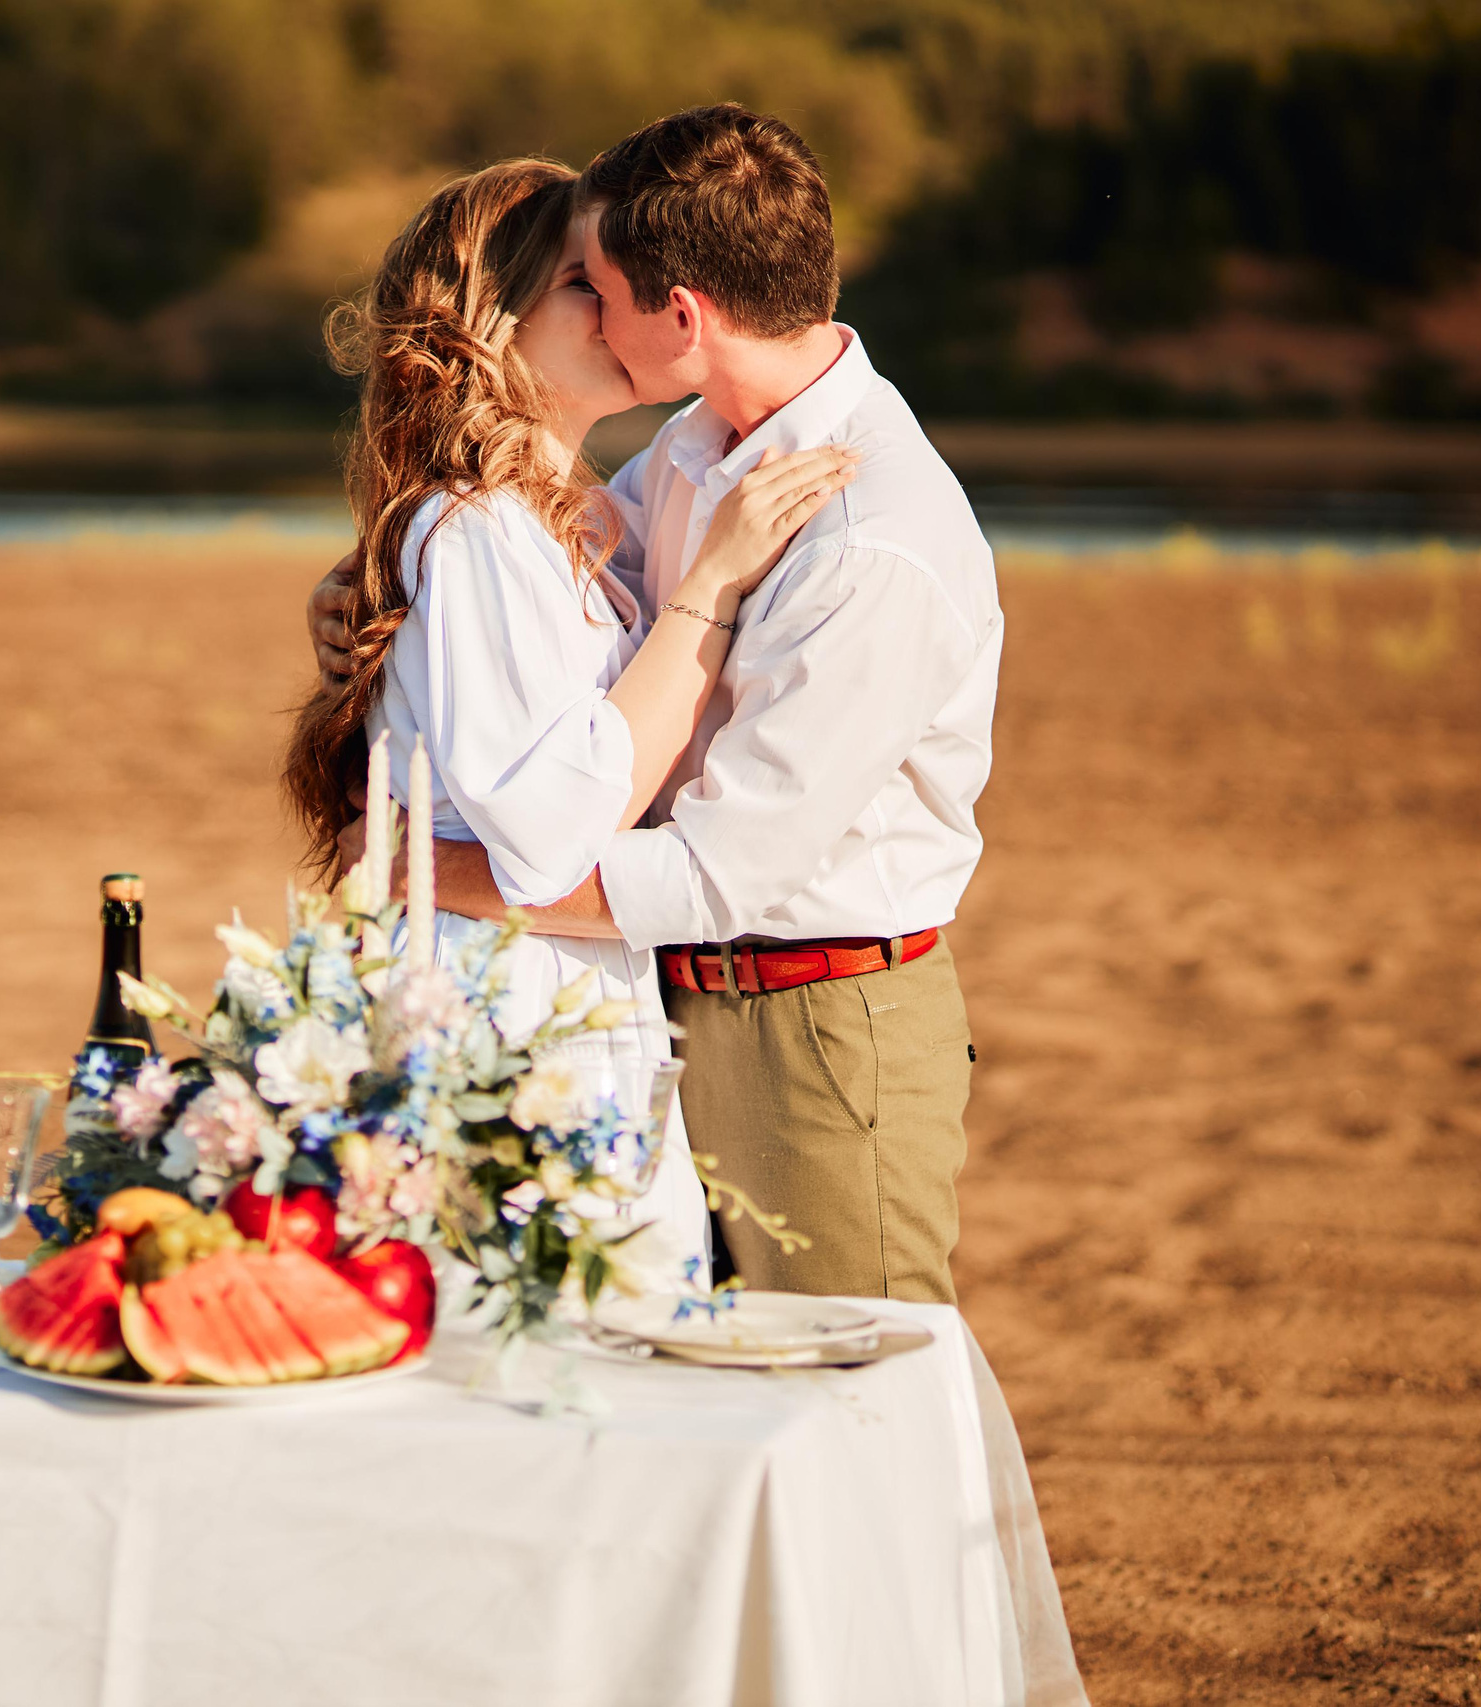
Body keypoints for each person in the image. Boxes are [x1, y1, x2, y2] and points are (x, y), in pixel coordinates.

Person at [309, 104, 1000, 1305]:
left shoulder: (865, 544)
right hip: (658, 996)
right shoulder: (694, 448)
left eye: (599, 284)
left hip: (816, 1026)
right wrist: (379, 592)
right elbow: (560, 593)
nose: (599, 315)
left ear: (679, 316)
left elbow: (717, 874)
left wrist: (441, 872)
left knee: (848, 1393)